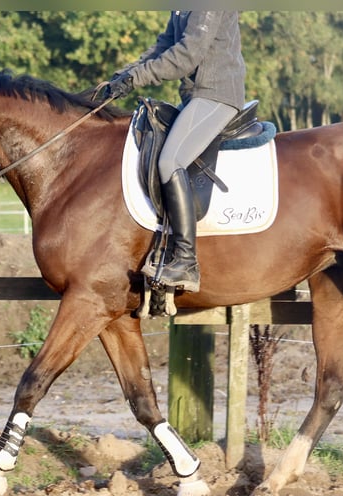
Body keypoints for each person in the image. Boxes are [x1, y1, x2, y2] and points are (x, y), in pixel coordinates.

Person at [105, 11, 246, 293]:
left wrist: (137, 78)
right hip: (195, 96)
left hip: (217, 94)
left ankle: (186, 260)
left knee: (170, 161)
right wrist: (126, 73)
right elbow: (164, 45)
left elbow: (186, 55)